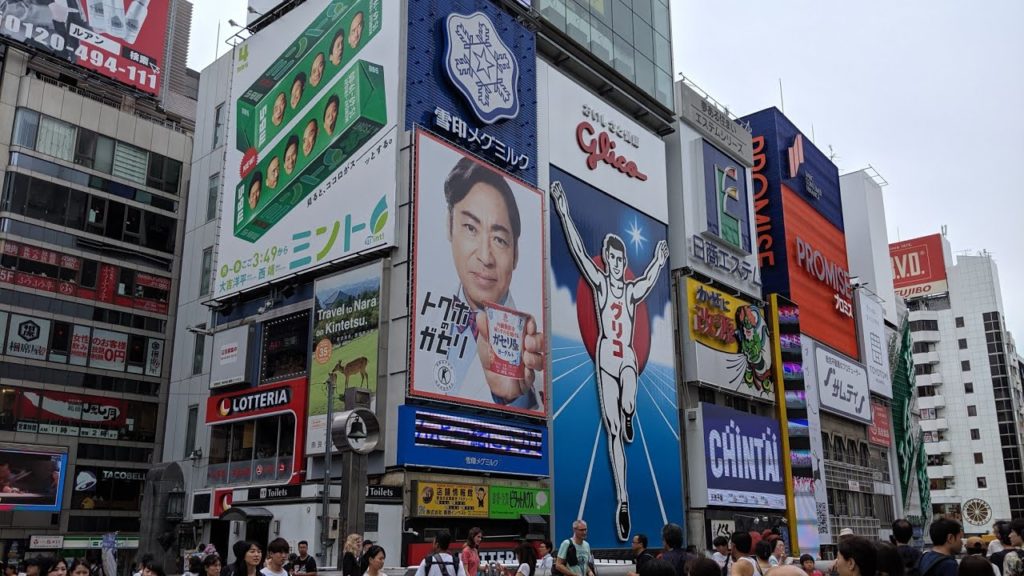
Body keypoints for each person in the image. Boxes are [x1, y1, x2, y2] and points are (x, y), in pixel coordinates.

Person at [551, 179, 669, 540]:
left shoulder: (631, 290)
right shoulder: (601, 284)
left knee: (629, 402)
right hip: (605, 359)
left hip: (627, 358)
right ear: (608, 259)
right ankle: (622, 499)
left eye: (620, 259)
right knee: (613, 431)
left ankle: (630, 411)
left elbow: (649, 278)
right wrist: (563, 210)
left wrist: (661, 260)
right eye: (612, 258)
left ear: (624, 261)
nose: (616, 264)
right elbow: (577, 249)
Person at [427, 156, 546, 409]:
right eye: (470, 228)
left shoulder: (535, 349)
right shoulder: (423, 316)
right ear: (449, 226)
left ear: (515, 255)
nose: (485, 256)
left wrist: (513, 398)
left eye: (499, 240)